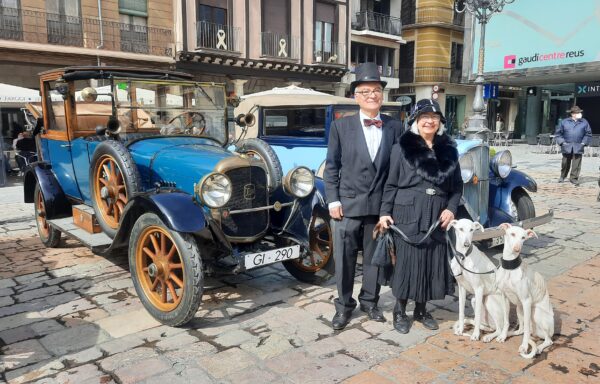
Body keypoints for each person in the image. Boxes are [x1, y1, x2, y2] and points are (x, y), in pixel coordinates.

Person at [324, 62, 402, 330]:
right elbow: (331, 167)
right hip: (347, 205)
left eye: (377, 90)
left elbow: (397, 169)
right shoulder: (341, 128)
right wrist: (333, 200)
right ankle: (344, 306)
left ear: (383, 94)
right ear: (356, 96)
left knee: (375, 259)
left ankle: (370, 301)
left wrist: (389, 207)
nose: (372, 95)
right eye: (366, 90)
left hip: (379, 207)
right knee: (344, 261)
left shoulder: (395, 127)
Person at [379, 99, 462, 334]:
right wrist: (385, 212)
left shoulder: (449, 149)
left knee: (430, 262)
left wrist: (451, 208)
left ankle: (422, 310)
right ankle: (399, 310)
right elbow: (391, 183)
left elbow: (457, 186)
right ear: (416, 120)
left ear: (440, 122)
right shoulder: (402, 148)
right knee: (407, 263)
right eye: (424, 116)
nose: (429, 121)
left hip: (437, 213)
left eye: (434, 117)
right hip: (408, 211)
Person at [554, 105, 592, 185]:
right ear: (573, 114)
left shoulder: (584, 122)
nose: (580, 114)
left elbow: (588, 134)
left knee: (576, 164)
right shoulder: (564, 122)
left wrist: (583, 142)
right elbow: (558, 134)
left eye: (580, 112)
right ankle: (562, 176)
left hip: (578, 145)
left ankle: (574, 178)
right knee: (565, 163)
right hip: (567, 145)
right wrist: (562, 142)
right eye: (578, 113)